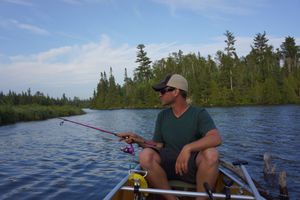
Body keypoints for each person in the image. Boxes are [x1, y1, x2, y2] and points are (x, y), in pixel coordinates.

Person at [118, 74, 222, 200]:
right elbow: (158, 145)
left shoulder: (199, 114)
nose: (159, 95)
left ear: (176, 92)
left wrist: (188, 148)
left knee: (211, 154)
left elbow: (215, 138)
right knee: (145, 155)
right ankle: (172, 199)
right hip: (167, 165)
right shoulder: (162, 116)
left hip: (191, 166)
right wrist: (137, 139)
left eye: (162, 91)